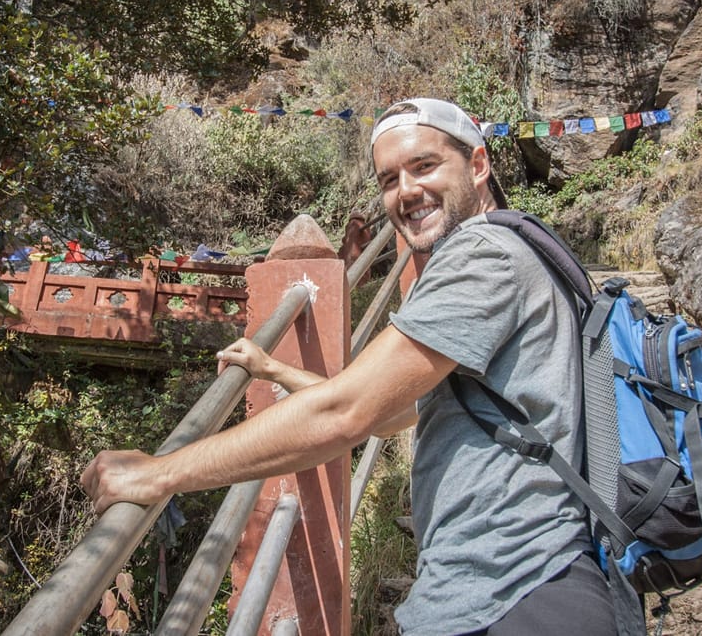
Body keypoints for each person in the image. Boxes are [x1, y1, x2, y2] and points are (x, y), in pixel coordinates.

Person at [81, 98, 616, 635]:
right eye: (389, 179)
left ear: (477, 166)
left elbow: (346, 414)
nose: (406, 191)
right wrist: (278, 371)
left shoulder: (481, 258)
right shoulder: (515, 243)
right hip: (528, 581)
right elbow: (391, 411)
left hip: (515, 598)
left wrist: (159, 473)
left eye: (425, 166)